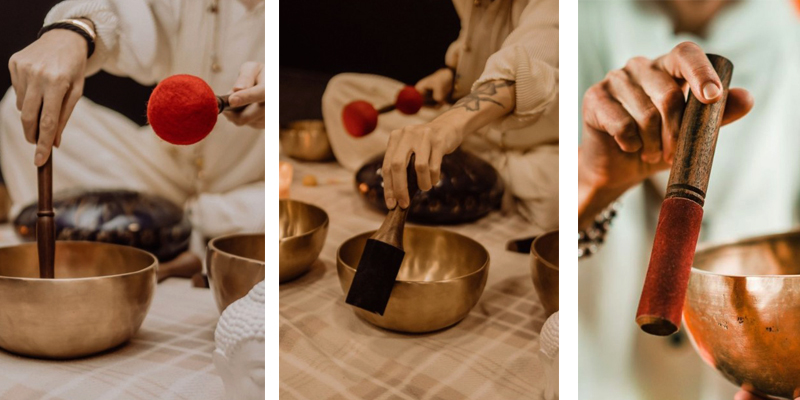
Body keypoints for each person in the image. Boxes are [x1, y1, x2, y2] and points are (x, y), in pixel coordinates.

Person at [578, 1, 800, 399]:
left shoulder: (789, 35)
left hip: (760, 355)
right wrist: (592, 184)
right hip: (600, 367)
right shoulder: (582, 21)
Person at [1, 0, 266, 254]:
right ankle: (175, 230)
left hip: (249, 188)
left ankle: (181, 225)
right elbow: (127, 13)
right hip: (163, 169)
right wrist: (75, 29)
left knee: (270, 215)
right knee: (22, 105)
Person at [322, 0, 558, 230]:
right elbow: (474, 41)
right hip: (472, 132)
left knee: (561, 193)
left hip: (533, 141)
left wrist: (446, 126)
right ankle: (472, 176)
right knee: (340, 92)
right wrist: (451, 75)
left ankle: (480, 172)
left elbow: (531, 63)